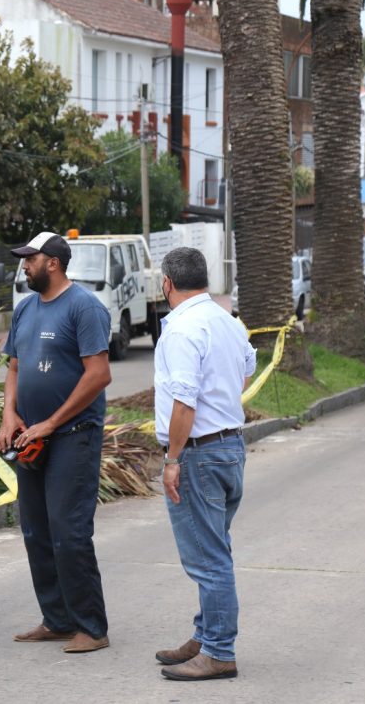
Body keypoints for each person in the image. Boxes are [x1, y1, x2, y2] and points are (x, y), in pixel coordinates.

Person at [0, 231, 113, 654]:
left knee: (69, 532)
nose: (24, 266)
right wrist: (11, 415)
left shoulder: (84, 308)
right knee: (36, 531)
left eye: (31, 259)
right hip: (31, 440)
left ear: (54, 263)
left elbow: (98, 375)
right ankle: (58, 620)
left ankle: (91, 627)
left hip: (72, 438)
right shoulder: (25, 310)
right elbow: (14, 367)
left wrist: (50, 423)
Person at [153, 247, 256, 682]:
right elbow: (246, 369)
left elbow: (184, 401)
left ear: (167, 284)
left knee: (209, 558)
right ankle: (207, 634)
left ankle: (218, 651)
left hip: (198, 453)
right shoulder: (226, 322)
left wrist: (173, 459)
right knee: (216, 548)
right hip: (229, 447)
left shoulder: (182, 329)